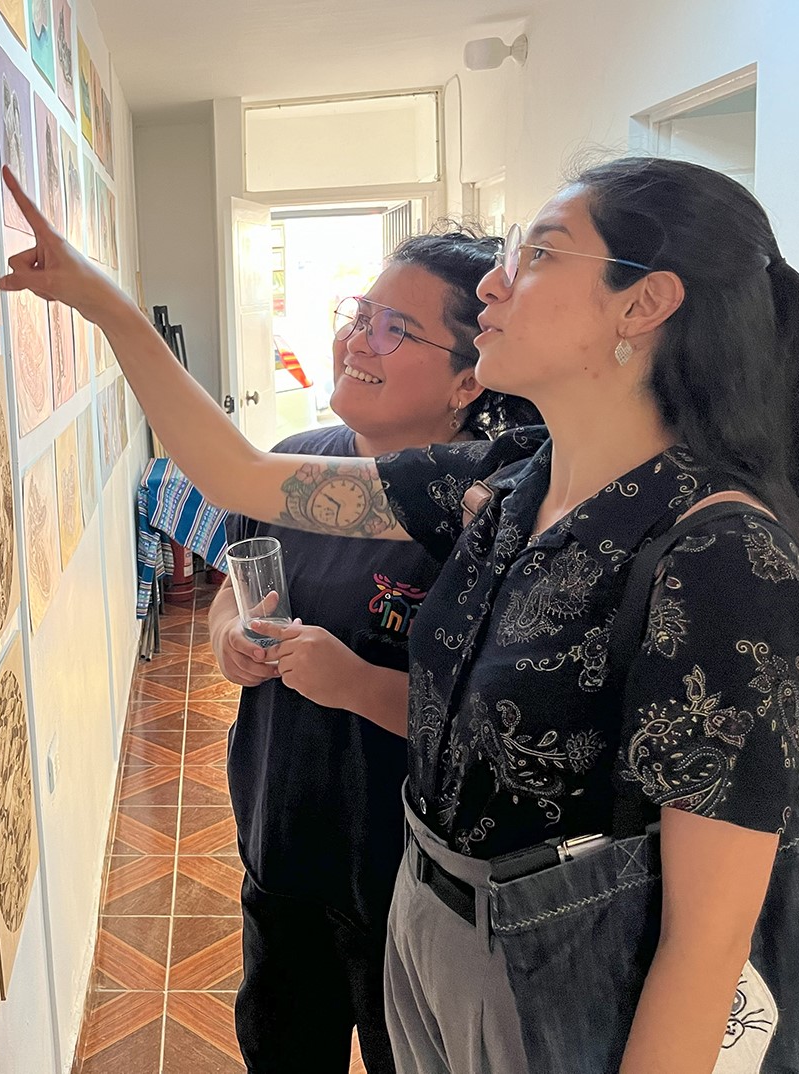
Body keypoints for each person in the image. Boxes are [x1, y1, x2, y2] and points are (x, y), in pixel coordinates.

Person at [0, 157, 799, 1072]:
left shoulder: (720, 557)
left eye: (540, 255)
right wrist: (101, 303)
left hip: (568, 974)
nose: (495, 283)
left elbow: (706, 947)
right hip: (433, 922)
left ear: (642, 305)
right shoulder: (507, 484)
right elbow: (239, 476)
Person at [211, 229, 537, 1074]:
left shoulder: (487, 513)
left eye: (396, 328)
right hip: (281, 843)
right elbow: (230, 588)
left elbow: (493, 729)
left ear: (469, 380)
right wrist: (228, 639)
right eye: (360, 315)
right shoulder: (289, 468)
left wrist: (356, 684)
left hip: (410, 886)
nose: (358, 340)